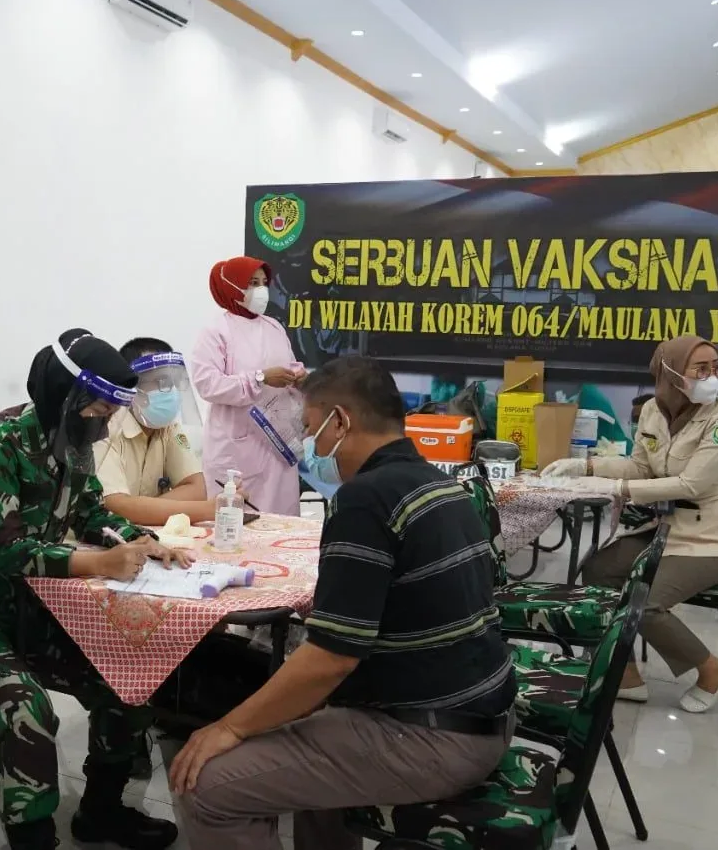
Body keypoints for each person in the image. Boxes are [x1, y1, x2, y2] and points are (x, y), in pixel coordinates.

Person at [170, 356, 515, 850]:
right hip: (482, 711)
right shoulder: (440, 485)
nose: (308, 444)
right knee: (307, 735)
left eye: (310, 428)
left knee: (205, 785)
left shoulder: (365, 501)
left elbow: (331, 658)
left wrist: (229, 728)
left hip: (433, 735)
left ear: (341, 421)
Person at [0, 329, 187, 850]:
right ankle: (32, 837)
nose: (104, 424)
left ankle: (101, 811)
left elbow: (90, 512)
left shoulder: (73, 442)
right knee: (26, 707)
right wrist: (97, 562)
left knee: (127, 675)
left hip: (30, 612)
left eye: (109, 412)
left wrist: (143, 541)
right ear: (67, 397)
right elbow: (6, 553)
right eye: (98, 411)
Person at [542, 334, 718, 713]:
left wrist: (619, 488)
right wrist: (585, 464)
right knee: (599, 569)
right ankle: (626, 675)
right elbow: (639, 466)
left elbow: (691, 484)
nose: (712, 376)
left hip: (716, 540)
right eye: (701, 369)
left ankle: (712, 670)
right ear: (669, 372)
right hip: (667, 530)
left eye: (717, 367)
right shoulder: (654, 410)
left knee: (648, 603)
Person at [190, 256, 305, 516]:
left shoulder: (274, 327)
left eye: (264, 283)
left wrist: (298, 378)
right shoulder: (216, 331)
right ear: (233, 285)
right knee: (237, 523)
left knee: (280, 522)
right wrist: (260, 379)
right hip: (236, 447)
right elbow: (208, 384)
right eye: (253, 283)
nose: (261, 291)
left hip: (278, 444)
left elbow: (289, 367)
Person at [95, 337, 216, 526]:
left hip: (145, 536)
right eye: (159, 381)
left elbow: (197, 488)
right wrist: (210, 510)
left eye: (171, 381)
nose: (169, 391)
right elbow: (116, 506)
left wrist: (143, 511)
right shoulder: (104, 428)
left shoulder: (167, 426)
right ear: (130, 385)